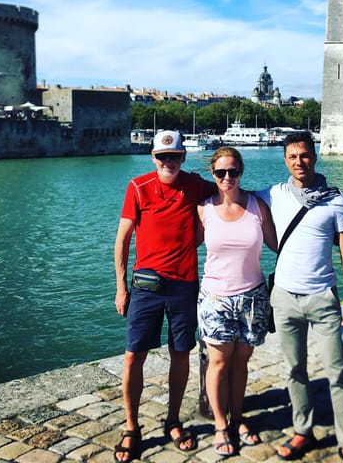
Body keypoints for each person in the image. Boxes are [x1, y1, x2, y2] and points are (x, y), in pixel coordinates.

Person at [256, 131, 343, 463]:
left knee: (338, 373)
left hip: (323, 298)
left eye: (304, 155)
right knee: (294, 371)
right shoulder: (274, 194)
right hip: (284, 298)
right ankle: (302, 430)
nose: (298, 162)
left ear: (314, 157)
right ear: (285, 161)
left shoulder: (336, 200)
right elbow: (233, 195)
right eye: (292, 157)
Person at [113, 130, 216, 462]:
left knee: (180, 355)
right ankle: (131, 427)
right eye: (162, 157)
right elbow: (123, 240)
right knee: (133, 357)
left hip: (184, 285)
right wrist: (121, 287)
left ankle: (173, 420)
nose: (168, 162)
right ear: (153, 158)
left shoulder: (197, 185)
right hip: (146, 287)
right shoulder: (138, 187)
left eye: (174, 156)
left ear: (183, 157)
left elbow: (230, 192)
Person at [196, 147, 277, 457]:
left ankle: (239, 416)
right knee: (217, 363)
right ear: (213, 175)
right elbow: (183, 243)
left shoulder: (258, 207)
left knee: (240, 363)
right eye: (220, 173)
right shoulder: (203, 209)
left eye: (233, 171)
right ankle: (220, 423)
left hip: (253, 299)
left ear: (241, 171)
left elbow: (277, 243)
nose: (227, 177)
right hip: (215, 299)